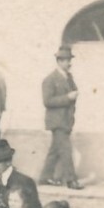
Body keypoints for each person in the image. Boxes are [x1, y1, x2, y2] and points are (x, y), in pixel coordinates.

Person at [39, 44, 83, 188]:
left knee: (55, 151)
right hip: (57, 121)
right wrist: (68, 97)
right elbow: (47, 101)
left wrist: (73, 96)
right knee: (65, 150)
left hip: (66, 120)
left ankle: (45, 177)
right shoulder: (50, 79)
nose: (69, 63)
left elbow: (74, 92)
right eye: (66, 60)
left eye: (70, 60)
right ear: (59, 61)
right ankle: (71, 180)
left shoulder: (69, 77)